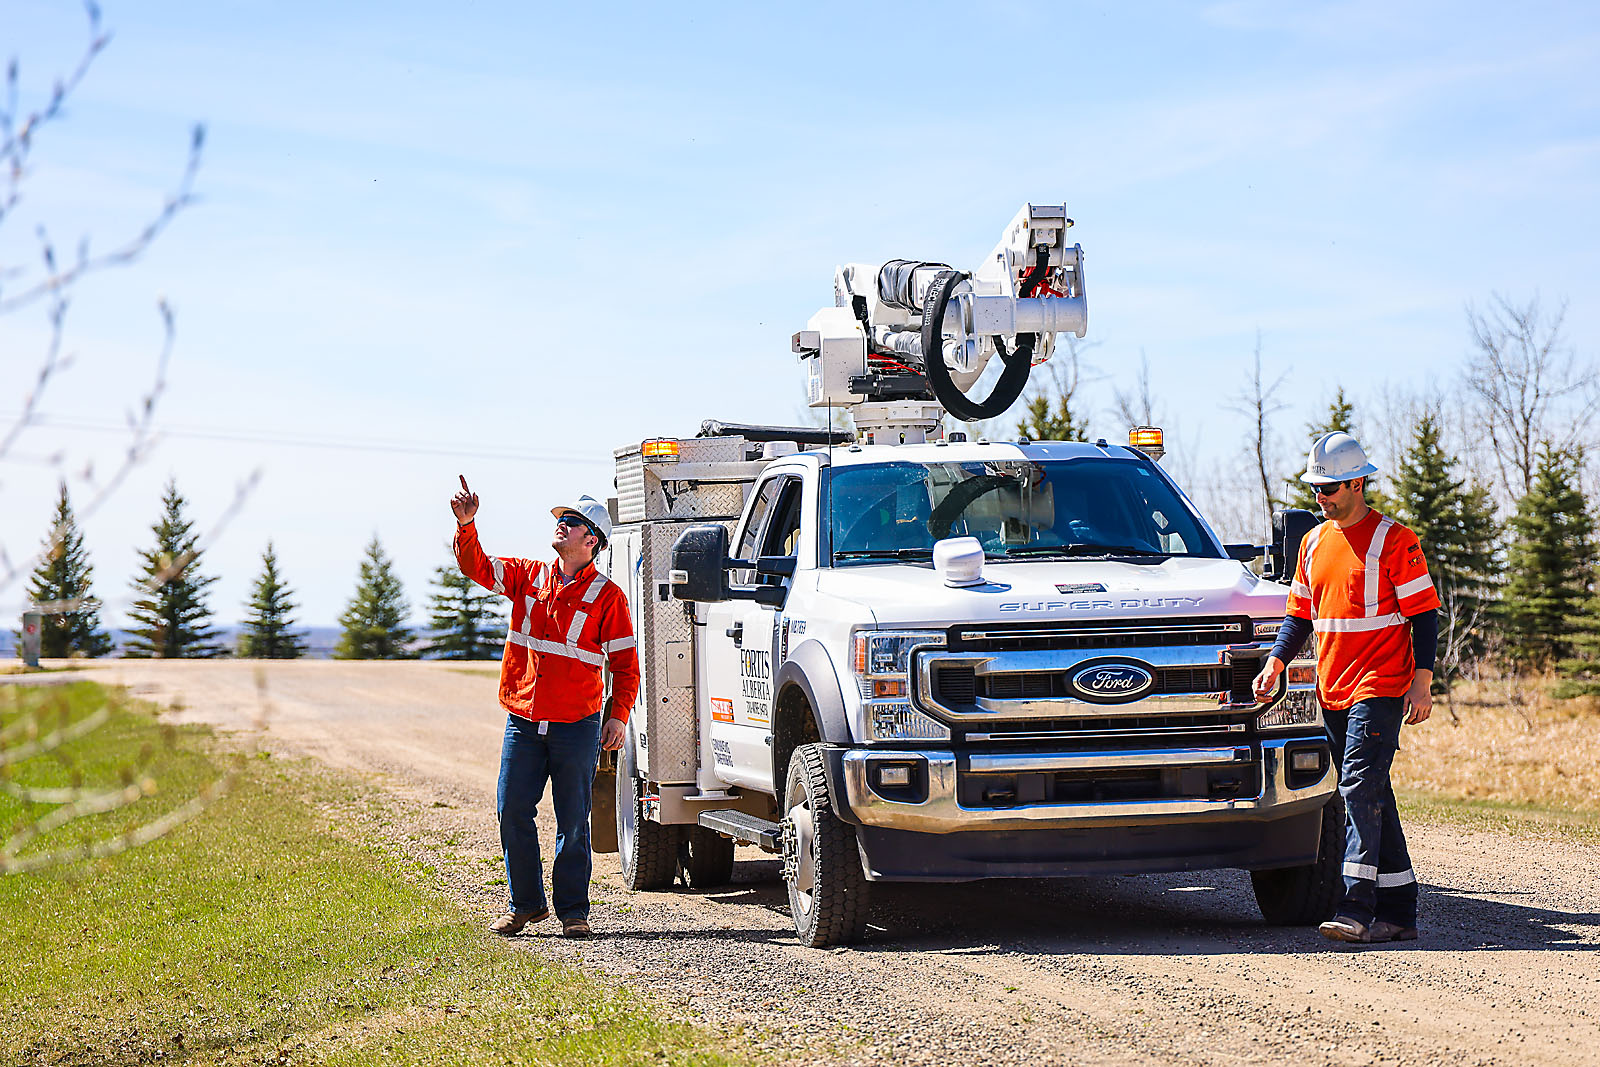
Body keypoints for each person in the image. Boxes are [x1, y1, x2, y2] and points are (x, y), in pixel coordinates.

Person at [1252, 432, 1440, 945]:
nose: (1321, 498)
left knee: (1356, 786)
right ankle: (1400, 909)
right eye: (1316, 488)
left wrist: (1421, 683)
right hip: (1332, 686)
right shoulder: (1313, 542)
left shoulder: (1395, 541)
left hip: (1381, 684)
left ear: (1358, 483)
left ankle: (1356, 904)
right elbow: (1299, 616)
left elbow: (1424, 617)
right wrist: (1275, 662)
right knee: (1372, 790)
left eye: (1331, 488)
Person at [451, 476, 639, 938]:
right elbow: (476, 566)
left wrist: (618, 716)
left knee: (573, 819)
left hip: (577, 724)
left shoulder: (609, 597)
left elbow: (626, 664)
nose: (561, 526)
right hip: (523, 718)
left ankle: (573, 912)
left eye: (570, 522)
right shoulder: (528, 576)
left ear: (590, 540)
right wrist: (467, 525)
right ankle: (525, 905)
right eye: (561, 520)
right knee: (512, 807)